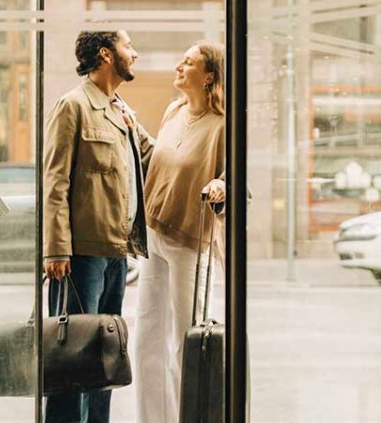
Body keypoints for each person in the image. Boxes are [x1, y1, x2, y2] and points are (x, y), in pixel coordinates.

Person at [42, 30, 154, 423]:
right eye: (128, 46)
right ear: (106, 54)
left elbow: (154, 158)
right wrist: (55, 248)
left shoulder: (120, 111)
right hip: (81, 256)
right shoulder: (73, 106)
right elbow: (55, 180)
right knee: (70, 355)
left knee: (105, 357)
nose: (134, 53)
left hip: (115, 253)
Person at [134, 41, 226, 423]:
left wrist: (223, 185)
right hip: (154, 234)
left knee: (185, 345)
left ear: (208, 76)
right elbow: (162, 158)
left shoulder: (223, 126)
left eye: (187, 62)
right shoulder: (173, 111)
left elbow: (235, 176)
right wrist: (132, 127)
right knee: (145, 341)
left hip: (190, 239)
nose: (178, 65)